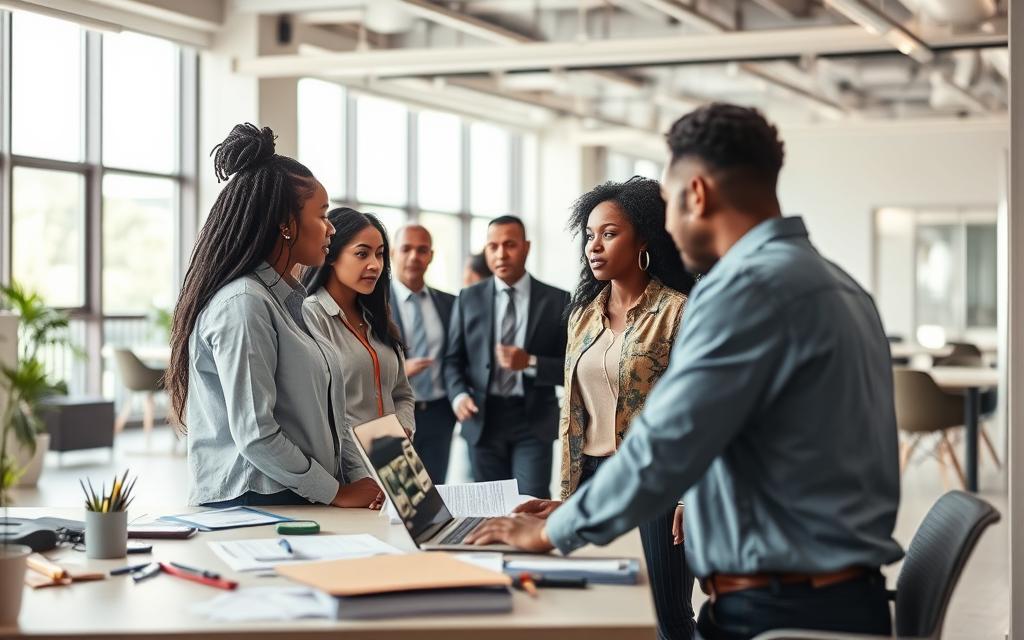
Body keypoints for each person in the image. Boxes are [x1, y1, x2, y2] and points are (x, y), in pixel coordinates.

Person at [467, 103, 904, 639]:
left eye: (670, 203)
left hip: (779, 613)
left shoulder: (745, 291)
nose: (668, 226)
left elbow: (663, 446)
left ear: (696, 194)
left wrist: (550, 531)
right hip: (832, 598)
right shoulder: (840, 285)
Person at [517, 176, 697, 640]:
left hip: (655, 481)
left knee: (667, 614)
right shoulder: (581, 316)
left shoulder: (679, 313)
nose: (594, 246)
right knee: (592, 606)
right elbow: (572, 413)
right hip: (590, 479)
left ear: (643, 240)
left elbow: (695, 413)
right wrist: (565, 493)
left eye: (609, 234)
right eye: (589, 235)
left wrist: (689, 495)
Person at [168, 123, 379, 509]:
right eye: (322, 215)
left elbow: (333, 418)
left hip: (295, 497)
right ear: (286, 224)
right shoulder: (244, 304)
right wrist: (335, 492)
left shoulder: (292, 303)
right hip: (254, 504)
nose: (331, 228)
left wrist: (357, 479)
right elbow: (256, 433)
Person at [443, 216, 570, 499]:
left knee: (531, 503)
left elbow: (571, 368)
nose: (501, 254)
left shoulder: (557, 300)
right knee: (489, 506)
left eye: (510, 245)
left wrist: (531, 362)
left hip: (532, 420)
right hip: (482, 418)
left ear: (526, 247)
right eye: (493, 246)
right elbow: (452, 361)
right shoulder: (468, 298)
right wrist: (459, 396)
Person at [301, 208, 415, 505]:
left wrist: (402, 431)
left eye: (380, 254)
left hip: (397, 464)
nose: (375, 265)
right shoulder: (311, 315)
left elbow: (402, 393)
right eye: (362, 254)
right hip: (350, 475)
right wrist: (362, 472)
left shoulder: (377, 318)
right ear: (332, 254)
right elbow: (323, 412)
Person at [388, 224, 458, 483]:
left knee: (436, 489)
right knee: (401, 491)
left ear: (431, 255)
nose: (414, 257)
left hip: (439, 414)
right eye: (406, 249)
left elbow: (457, 357)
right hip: (394, 412)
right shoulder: (374, 301)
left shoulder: (450, 303)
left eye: (422, 250)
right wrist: (400, 371)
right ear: (393, 253)